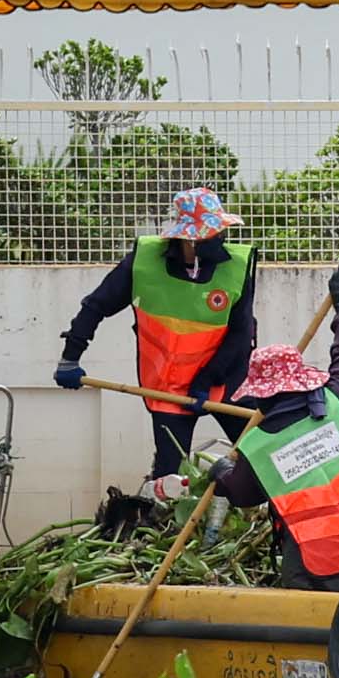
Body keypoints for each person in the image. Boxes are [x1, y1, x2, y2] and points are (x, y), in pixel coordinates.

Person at [191, 264, 339, 594]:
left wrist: (222, 474)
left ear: (261, 395)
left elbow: (243, 494)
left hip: (313, 562)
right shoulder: (335, 403)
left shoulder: (257, 446)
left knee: (314, 639)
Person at [55, 187, 258, 478]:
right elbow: (96, 306)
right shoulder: (144, 263)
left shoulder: (235, 268)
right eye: (213, 233)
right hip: (168, 388)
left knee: (259, 459)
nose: (220, 240)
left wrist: (206, 378)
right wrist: (70, 357)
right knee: (171, 478)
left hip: (226, 381)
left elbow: (241, 335)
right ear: (189, 238)